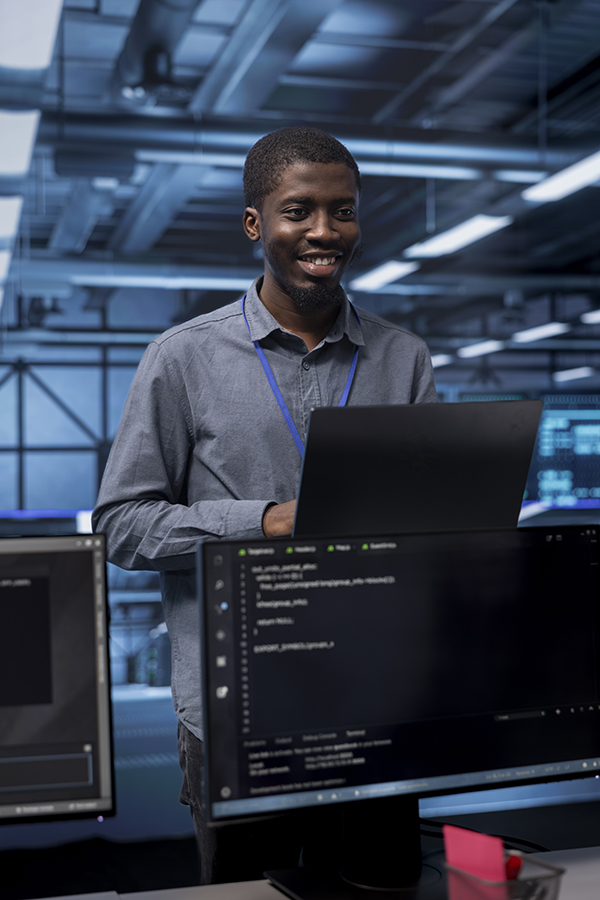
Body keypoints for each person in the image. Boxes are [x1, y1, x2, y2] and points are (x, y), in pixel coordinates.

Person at [92, 126, 437, 883]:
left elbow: (423, 527)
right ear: (256, 224)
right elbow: (121, 525)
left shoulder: (403, 357)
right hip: (239, 717)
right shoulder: (183, 358)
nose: (324, 232)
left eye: (342, 211)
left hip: (375, 710)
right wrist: (265, 520)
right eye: (299, 211)